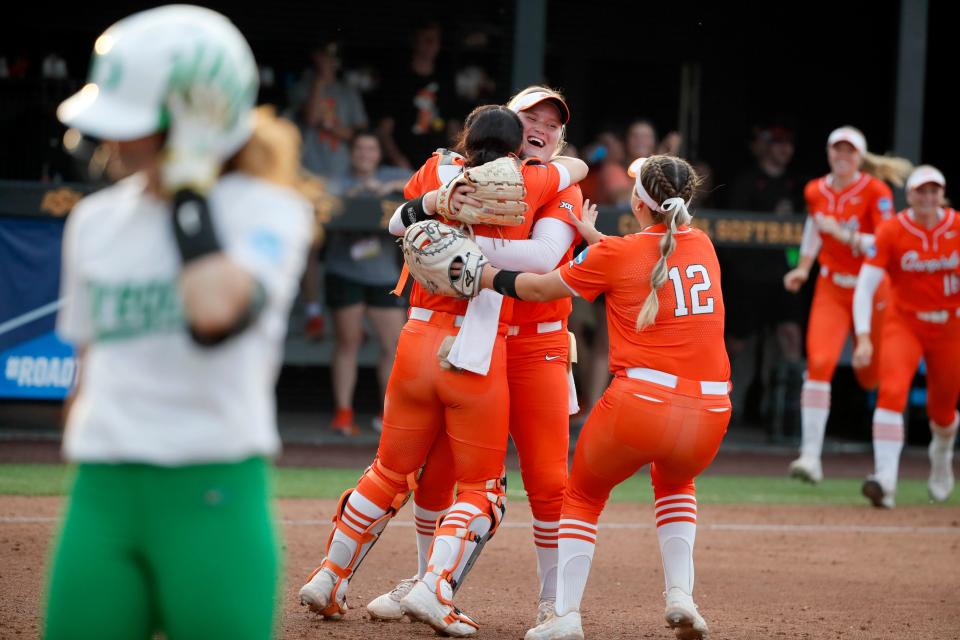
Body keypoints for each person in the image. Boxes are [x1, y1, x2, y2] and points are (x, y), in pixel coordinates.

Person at [44, 6, 313, 640]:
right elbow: (87, 368)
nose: (112, 141)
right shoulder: (97, 220)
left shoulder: (269, 212)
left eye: (131, 123)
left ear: (193, 121)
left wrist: (190, 180)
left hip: (212, 491)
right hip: (102, 490)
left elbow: (214, 311)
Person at [298, 105, 588, 637]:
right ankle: (434, 587)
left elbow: (394, 220)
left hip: (418, 337)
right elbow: (567, 196)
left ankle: (329, 576)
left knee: (388, 472)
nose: (541, 131)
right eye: (531, 122)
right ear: (515, 134)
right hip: (475, 347)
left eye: (551, 125)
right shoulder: (533, 176)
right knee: (484, 489)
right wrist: (485, 259)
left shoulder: (439, 168)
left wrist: (438, 212)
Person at [465, 154, 728, 640]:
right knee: (675, 485)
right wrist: (593, 240)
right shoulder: (703, 245)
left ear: (638, 203)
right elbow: (649, 258)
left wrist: (479, 274)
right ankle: (681, 597)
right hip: (711, 411)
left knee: (582, 497)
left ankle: (565, 616)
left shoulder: (618, 254)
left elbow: (541, 287)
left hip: (641, 403)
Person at [784, 126, 912, 483]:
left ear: (860, 156)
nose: (842, 156)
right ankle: (810, 457)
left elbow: (887, 244)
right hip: (833, 285)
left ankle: (886, 469)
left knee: (872, 374)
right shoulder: (816, 189)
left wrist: (846, 235)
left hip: (872, 288)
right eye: (837, 149)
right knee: (820, 361)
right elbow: (814, 226)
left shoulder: (876, 190)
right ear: (828, 153)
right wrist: (804, 268)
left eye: (849, 151)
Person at [852, 165, 959, 508]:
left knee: (942, 411)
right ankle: (885, 481)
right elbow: (865, 286)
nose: (927, 198)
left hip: (950, 326)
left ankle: (941, 457)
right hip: (905, 323)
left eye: (933, 190)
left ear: (942, 194)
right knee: (892, 391)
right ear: (910, 194)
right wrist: (865, 336)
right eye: (920, 191)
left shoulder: (957, 226)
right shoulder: (893, 230)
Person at [311, 132, 411, 435]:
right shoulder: (337, 180)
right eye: (359, 148)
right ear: (351, 152)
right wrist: (357, 192)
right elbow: (325, 201)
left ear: (379, 153)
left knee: (394, 345)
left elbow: (418, 180)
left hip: (382, 275)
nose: (365, 153)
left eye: (371, 148)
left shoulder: (391, 175)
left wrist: (384, 188)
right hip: (346, 271)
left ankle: (388, 415)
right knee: (348, 342)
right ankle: (343, 412)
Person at [724, 124, 805, 427]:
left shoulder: (797, 185)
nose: (785, 150)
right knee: (737, 344)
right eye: (779, 144)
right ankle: (729, 407)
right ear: (766, 147)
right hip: (748, 277)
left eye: (789, 144)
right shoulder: (747, 182)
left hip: (784, 276)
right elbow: (730, 229)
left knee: (790, 336)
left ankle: (787, 414)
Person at [375, 21, 458, 169]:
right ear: (415, 42)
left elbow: (453, 127)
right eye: (427, 40)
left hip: (437, 166)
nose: (431, 45)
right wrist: (399, 161)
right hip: (402, 166)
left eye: (435, 40)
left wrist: (452, 159)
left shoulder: (445, 81)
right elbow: (384, 130)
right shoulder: (397, 80)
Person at [286, 40, 368, 178]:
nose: (329, 61)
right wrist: (319, 82)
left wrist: (327, 125)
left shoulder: (348, 91)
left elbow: (360, 134)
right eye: (324, 56)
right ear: (315, 57)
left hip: (343, 167)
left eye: (333, 57)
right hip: (308, 165)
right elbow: (311, 118)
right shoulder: (300, 88)